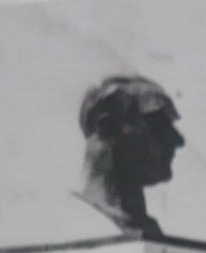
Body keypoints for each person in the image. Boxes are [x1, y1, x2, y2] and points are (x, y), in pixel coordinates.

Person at [76, 74, 185, 237]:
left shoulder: (147, 230)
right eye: (158, 126)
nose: (178, 140)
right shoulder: (76, 223)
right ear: (108, 129)